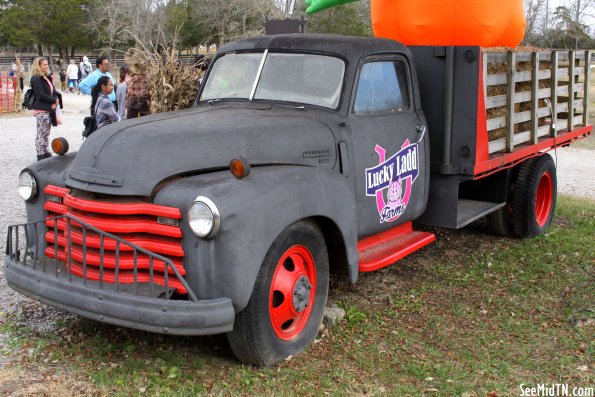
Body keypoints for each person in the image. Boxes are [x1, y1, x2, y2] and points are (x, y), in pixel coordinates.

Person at [30, 57, 62, 161]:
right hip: (41, 109)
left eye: (47, 64)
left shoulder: (46, 77)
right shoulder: (36, 79)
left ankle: (45, 151)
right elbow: (41, 95)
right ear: (38, 66)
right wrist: (53, 100)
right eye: (44, 64)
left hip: (48, 108)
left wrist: (57, 99)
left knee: (46, 133)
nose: (46, 66)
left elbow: (53, 91)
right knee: (41, 133)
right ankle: (40, 154)